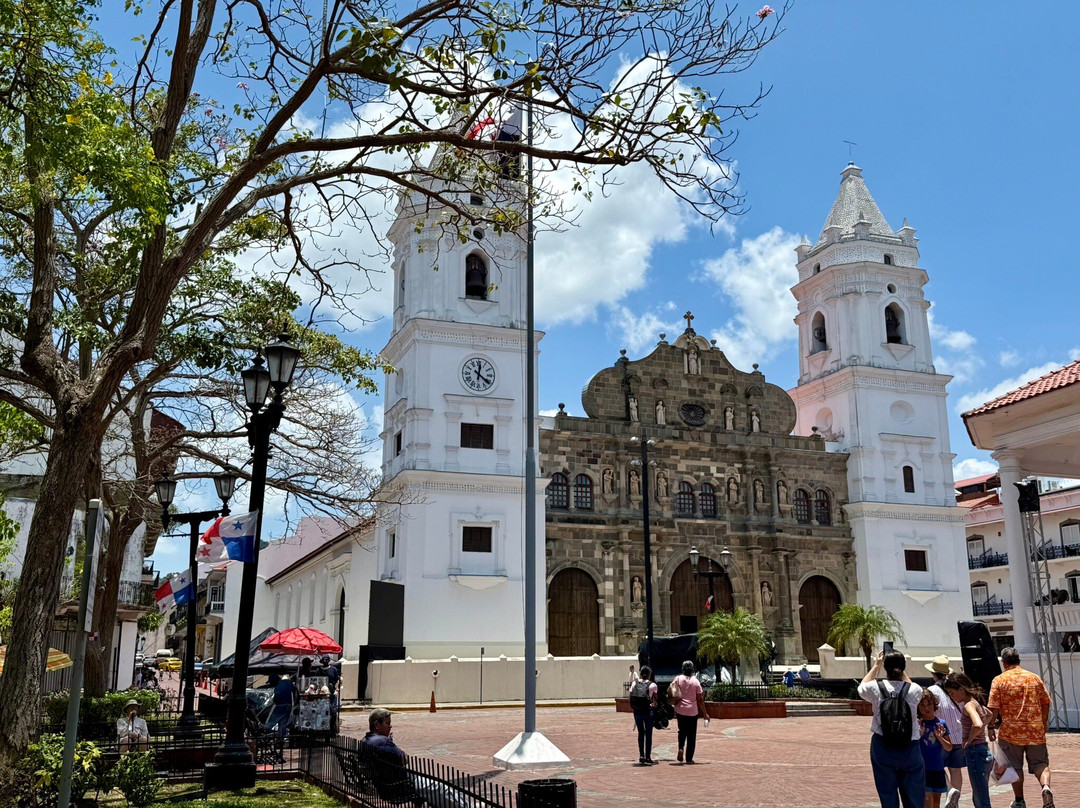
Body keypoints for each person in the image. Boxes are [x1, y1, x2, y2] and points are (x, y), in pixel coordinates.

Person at [987, 647, 1054, 808]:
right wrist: (1043, 722)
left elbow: (993, 707)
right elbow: (1046, 702)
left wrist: (991, 726)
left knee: (1015, 767)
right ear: (1019, 661)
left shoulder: (999, 680)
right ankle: (1045, 787)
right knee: (1040, 764)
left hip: (1011, 732)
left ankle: (1019, 800)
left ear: (1004, 663)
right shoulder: (1034, 678)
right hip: (1035, 729)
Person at [857, 650, 924, 808]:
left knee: (887, 794)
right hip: (910, 747)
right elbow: (913, 686)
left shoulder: (875, 688)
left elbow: (862, 687)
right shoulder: (915, 690)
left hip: (883, 744)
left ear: (886, 667)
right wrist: (901, 669)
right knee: (914, 796)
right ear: (903, 667)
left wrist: (876, 665)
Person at [363, 708, 470, 807]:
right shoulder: (382, 741)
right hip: (402, 785)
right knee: (441, 788)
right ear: (377, 725)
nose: (390, 727)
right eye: (388, 724)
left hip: (386, 785)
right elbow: (404, 759)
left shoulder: (364, 741)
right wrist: (390, 742)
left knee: (435, 788)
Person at [941, 673, 993, 808]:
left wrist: (969, 740)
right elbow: (989, 715)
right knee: (981, 792)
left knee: (980, 797)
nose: (951, 696)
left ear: (961, 690)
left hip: (975, 751)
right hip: (983, 750)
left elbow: (978, 724)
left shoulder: (969, 705)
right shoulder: (975, 702)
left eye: (952, 693)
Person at [925, 655, 965, 808]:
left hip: (941, 735)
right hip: (959, 735)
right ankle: (955, 800)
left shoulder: (932, 691)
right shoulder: (956, 688)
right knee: (956, 769)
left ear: (934, 674)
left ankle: (950, 791)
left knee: (938, 766)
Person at [918, 689, 954, 808]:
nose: (926, 708)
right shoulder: (918, 724)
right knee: (927, 800)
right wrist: (919, 736)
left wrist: (940, 738)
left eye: (929, 704)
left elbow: (949, 747)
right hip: (923, 768)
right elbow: (910, 747)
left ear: (934, 704)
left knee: (936, 801)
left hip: (937, 767)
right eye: (922, 705)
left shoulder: (941, 724)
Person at [670, 660, 706, 764]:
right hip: (692, 711)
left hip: (680, 709)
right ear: (692, 670)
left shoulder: (678, 679)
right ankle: (689, 758)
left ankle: (681, 747)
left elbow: (672, 690)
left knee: (681, 730)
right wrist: (705, 713)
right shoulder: (696, 682)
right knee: (691, 735)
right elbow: (700, 699)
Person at [628, 665, 658, 765]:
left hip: (637, 712)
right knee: (648, 734)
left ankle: (641, 755)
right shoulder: (652, 685)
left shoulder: (634, 683)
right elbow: (655, 701)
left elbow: (630, 697)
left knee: (641, 733)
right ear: (649, 675)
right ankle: (648, 757)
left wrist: (634, 708)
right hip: (647, 712)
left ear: (640, 674)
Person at [267, 673, 295, 738]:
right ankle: (281, 739)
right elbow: (294, 690)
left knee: (271, 722)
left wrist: (275, 701)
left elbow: (277, 696)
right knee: (283, 723)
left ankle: (264, 735)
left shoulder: (278, 686)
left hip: (280, 706)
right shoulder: (288, 683)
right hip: (288, 705)